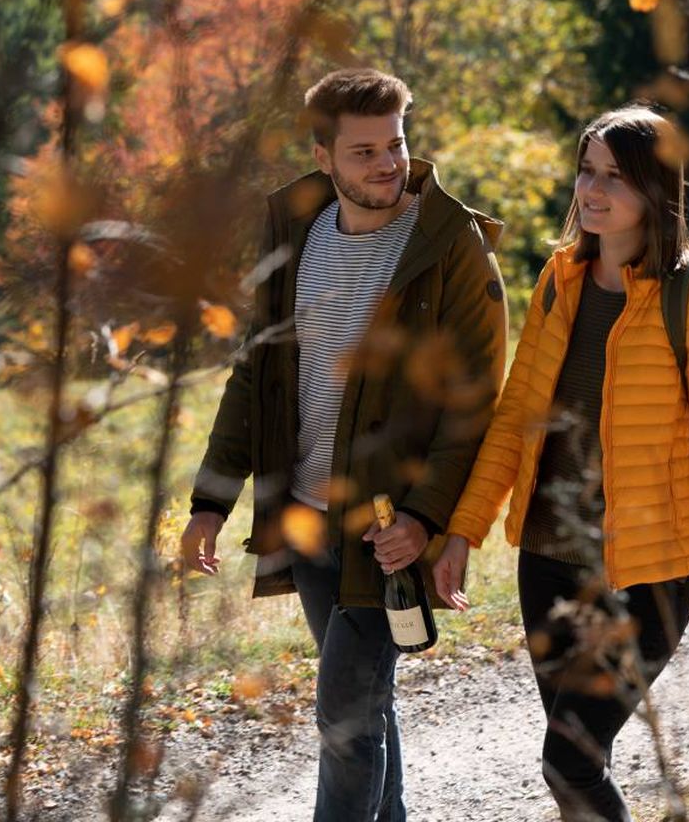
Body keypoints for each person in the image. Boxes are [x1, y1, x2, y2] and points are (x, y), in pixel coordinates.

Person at [181, 68, 508, 822]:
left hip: (389, 528)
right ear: (323, 155)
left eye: (395, 143)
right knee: (366, 709)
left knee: (344, 715)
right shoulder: (292, 232)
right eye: (363, 152)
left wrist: (425, 517)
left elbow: (474, 405)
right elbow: (254, 380)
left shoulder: (449, 246)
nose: (387, 164)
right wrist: (211, 503)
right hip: (306, 520)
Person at [432, 105, 689, 822]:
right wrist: (463, 530)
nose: (593, 189)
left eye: (615, 176)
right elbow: (516, 417)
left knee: (569, 760)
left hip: (651, 570)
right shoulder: (560, 281)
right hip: (550, 555)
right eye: (587, 170)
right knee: (574, 766)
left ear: (656, 191)